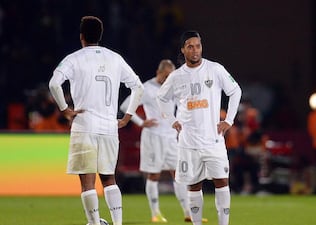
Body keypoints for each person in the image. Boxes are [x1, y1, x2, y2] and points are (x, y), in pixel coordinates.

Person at [48, 16, 144, 225]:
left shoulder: (74, 58)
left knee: (88, 181)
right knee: (109, 178)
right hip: (110, 127)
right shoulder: (115, 58)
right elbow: (138, 87)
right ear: (100, 36)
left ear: (81, 36)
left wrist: (65, 110)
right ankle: (117, 223)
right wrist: (127, 116)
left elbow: (54, 84)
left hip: (84, 126)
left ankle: (93, 223)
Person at [157, 30, 242, 225]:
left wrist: (229, 120)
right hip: (188, 143)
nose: (195, 50)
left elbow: (235, 90)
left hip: (213, 140)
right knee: (193, 186)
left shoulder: (215, 69)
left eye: (198, 46)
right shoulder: (177, 76)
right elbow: (161, 98)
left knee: (222, 182)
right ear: (183, 50)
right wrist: (172, 120)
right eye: (190, 46)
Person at [120, 59, 207, 223]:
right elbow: (126, 106)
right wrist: (141, 122)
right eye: (166, 75)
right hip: (153, 137)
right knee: (154, 175)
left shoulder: (174, 87)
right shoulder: (146, 88)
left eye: (171, 76)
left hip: (171, 137)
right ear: (158, 73)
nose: (168, 78)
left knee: (179, 174)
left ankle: (188, 212)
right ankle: (156, 213)